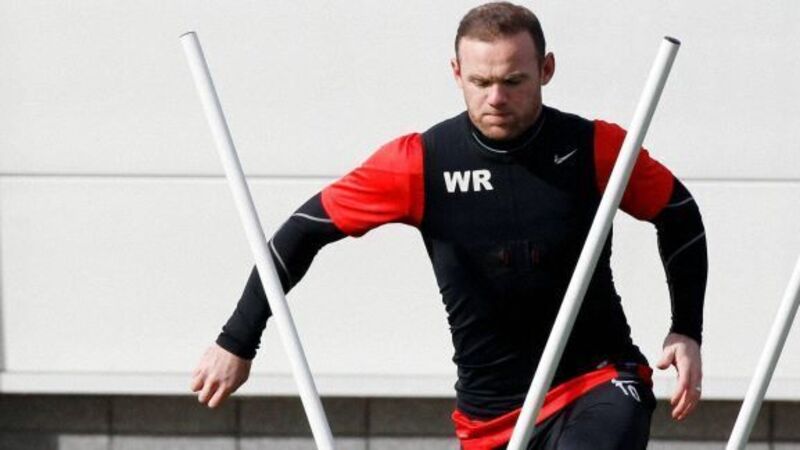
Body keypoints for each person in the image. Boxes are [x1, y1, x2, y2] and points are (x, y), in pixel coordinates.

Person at [190, 3, 707, 449]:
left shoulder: (596, 149)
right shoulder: (420, 162)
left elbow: (679, 214)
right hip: (491, 414)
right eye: (480, 82)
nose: (496, 98)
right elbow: (303, 230)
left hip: (598, 379)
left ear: (546, 69)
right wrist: (237, 340)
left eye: (513, 81)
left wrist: (686, 329)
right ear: (457, 73)